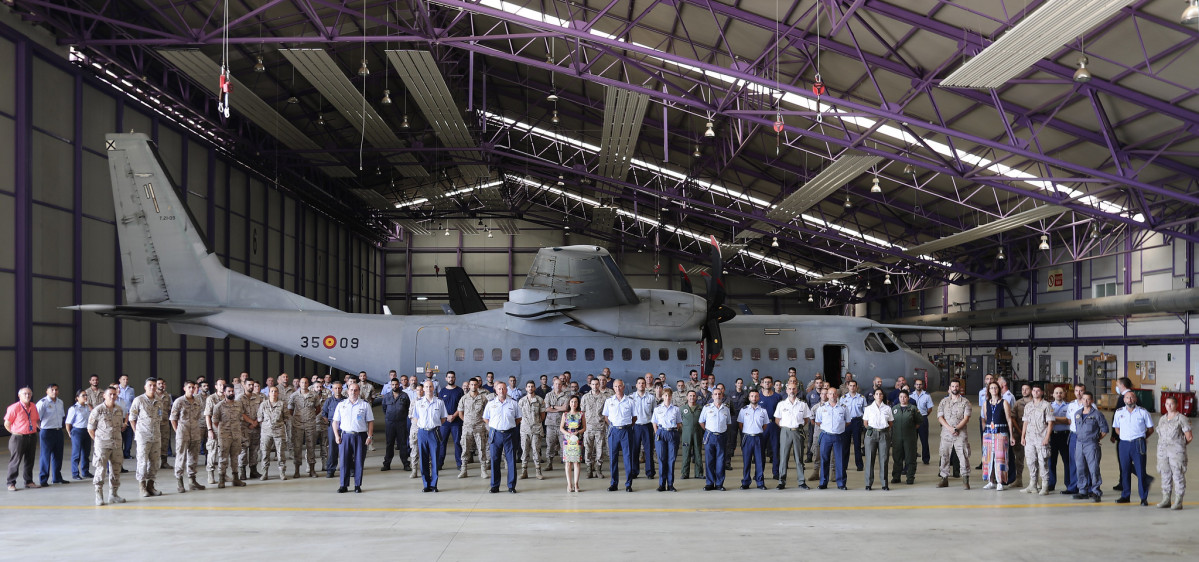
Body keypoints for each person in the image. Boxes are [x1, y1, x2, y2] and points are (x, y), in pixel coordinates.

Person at [1113, 391, 1155, 505]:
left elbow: (1151, 429)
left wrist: (1141, 437)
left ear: (1135, 399)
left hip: (1138, 444)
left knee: (1141, 471)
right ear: (1124, 400)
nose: (1130, 400)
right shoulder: (1119, 412)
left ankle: (1143, 498)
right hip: (1124, 444)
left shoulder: (1143, 412)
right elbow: (1116, 428)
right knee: (1125, 470)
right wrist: (1124, 436)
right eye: (1127, 398)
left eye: (1132, 397)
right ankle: (1125, 496)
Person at [332, 382, 374, 493]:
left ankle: (357, 485)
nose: (353, 392)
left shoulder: (365, 405)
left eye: (356, 390)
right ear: (347, 391)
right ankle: (343, 485)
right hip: (345, 436)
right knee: (344, 461)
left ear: (359, 392)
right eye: (351, 390)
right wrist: (336, 436)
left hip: (360, 436)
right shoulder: (341, 405)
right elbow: (335, 422)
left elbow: (370, 422)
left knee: (359, 461)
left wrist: (369, 436)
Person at [129, 378, 166, 497]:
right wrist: (137, 432)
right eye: (150, 385)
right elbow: (132, 418)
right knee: (142, 462)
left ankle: (151, 486)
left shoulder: (159, 400)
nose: (152, 387)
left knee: (155, 462)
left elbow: (160, 417)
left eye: (154, 385)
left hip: (156, 436)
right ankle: (142, 486)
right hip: (143, 436)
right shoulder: (139, 400)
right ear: (145, 387)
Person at [209, 384, 250, 489]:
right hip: (224, 436)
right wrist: (224, 430)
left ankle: (235, 478)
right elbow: (215, 422)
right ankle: (221, 479)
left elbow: (240, 417)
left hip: (236, 435)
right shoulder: (219, 406)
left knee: (235, 457)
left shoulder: (238, 405)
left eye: (232, 391)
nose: (231, 393)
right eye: (229, 391)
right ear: (224, 393)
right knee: (223, 458)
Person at [483, 381, 521, 493]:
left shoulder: (513, 403)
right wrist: (495, 426)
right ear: (495, 390)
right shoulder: (490, 404)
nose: (501, 391)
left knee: (511, 460)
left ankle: (511, 486)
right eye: (499, 389)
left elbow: (518, 418)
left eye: (503, 388)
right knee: (495, 459)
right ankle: (495, 486)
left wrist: (509, 426)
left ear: (507, 390)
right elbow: (485, 418)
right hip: (496, 434)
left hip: (510, 434)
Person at [169, 380, 206, 493]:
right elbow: (173, 419)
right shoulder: (179, 401)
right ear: (184, 388)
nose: (192, 389)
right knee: (181, 457)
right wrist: (178, 432)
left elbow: (198, 417)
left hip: (195, 432)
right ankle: (180, 482)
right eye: (189, 387)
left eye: (193, 387)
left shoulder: (198, 402)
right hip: (183, 432)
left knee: (193, 457)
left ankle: (192, 480)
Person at [1155, 396, 1192, 509]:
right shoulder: (1162, 419)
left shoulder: (1181, 419)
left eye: (1171, 404)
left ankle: (1178, 500)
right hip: (1163, 451)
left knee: (1178, 474)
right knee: (1165, 474)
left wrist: (1179, 446)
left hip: (1176, 452)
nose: (1169, 406)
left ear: (1176, 405)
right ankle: (1166, 499)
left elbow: (1189, 437)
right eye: (1167, 404)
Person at [774, 380, 812, 490]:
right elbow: (777, 419)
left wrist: (797, 427)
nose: (792, 390)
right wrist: (786, 428)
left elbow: (806, 419)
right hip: (785, 431)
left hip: (797, 432)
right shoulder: (781, 404)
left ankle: (801, 482)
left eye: (794, 389)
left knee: (799, 458)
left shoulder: (803, 404)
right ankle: (782, 481)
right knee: (783, 457)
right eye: (790, 389)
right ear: (786, 390)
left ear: (797, 390)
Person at [1072, 391, 1108, 502]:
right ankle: (1083, 491)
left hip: (1091, 444)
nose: (1086, 401)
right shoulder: (1077, 414)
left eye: (1088, 399)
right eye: (1084, 399)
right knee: (1080, 467)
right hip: (1079, 444)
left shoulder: (1097, 414)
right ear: (1081, 400)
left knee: (1093, 468)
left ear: (1092, 401)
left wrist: (1096, 439)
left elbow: (1105, 430)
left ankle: (1096, 491)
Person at [412, 380, 447, 493]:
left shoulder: (439, 402)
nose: (428, 389)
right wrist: (423, 426)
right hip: (422, 433)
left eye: (430, 387)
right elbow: (415, 418)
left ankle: (434, 485)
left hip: (434, 432)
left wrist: (433, 425)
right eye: (426, 387)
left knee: (435, 459)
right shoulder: (418, 403)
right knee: (423, 459)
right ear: (423, 389)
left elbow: (443, 418)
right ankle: (426, 484)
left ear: (433, 388)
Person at [937, 378, 972, 489]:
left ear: (960, 388)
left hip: (960, 434)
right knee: (944, 455)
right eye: (953, 386)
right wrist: (949, 428)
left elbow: (966, 418)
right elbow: (940, 417)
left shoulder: (965, 402)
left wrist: (956, 428)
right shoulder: (944, 402)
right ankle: (944, 479)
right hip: (946, 434)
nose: (955, 388)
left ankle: (965, 480)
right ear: (949, 388)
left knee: (963, 455)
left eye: (957, 386)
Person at [602, 379, 636, 492]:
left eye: (620, 386)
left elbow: (634, 417)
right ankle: (614, 483)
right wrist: (613, 426)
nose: (618, 388)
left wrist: (626, 426)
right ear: (613, 388)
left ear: (623, 387)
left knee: (628, 457)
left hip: (626, 431)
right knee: (613, 458)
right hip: (614, 431)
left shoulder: (630, 401)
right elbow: (606, 416)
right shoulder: (609, 401)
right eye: (615, 386)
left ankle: (628, 484)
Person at [1020, 386, 1054, 495]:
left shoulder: (1046, 405)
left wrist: (1047, 437)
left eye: (1038, 391)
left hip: (1041, 438)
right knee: (1030, 461)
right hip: (1029, 438)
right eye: (1034, 390)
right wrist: (1023, 436)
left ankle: (1045, 486)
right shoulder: (1028, 406)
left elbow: (1050, 423)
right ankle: (1033, 485)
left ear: (1042, 392)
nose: (1035, 392)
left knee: (1042, 462)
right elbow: (1025, 422)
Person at [6, 387, 41, 491]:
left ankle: (29, 481)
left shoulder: (33, 406)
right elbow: (7, 424)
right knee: (15, 461)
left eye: (29, 394)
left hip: (32, 436)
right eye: (25, 394)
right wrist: (15, 433)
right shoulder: (14, 408)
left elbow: (36, 420)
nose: (27, 396)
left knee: (30, 460)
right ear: (19, 396)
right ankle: (11, 483)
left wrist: (41, 428)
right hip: (18, 438)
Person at [815, 388, 850, 490]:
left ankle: (841, 483)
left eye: (834, 393)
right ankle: (823, 482)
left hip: (839, 436)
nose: (833, 395)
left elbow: (847, 422)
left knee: (840, 460)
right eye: (830, 393)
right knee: (824, 459)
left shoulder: (843, 408)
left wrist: (838, 428)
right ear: (827, 395)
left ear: (837, 395)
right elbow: (818, 421)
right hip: (826, 436)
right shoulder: (822, 408)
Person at [980, 381, 1012, 491]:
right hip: (989, 433)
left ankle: (1000, 481)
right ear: (988, 390)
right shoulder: (986, 403)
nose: (993, 389)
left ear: (998, 389)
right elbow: (984, 417)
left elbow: (1009, 419)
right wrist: (985, 430)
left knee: (1000, 457)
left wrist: (1011, 435)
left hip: (1001, 432)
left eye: (995, 388)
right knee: (988, 457)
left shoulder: (1004, 402)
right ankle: (991, 481)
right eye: (991, 388)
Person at [288, 377, 321, 478]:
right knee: (297, 447)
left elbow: (318, 409)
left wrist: (310, 416)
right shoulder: (294, 396)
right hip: (297, 425)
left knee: (311, 447)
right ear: (299, 384)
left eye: (306, 382)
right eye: (302, 382)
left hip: (310, 424)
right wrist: (297, 418)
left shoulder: (314, 395)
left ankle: (312, 470)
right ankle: (297, 470)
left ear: (308, 384)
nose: (304, 384)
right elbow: (290, 410)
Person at [35, 384, 68, 487]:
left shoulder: (60, 402)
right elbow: (36, 418)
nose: (54, 391)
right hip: (47, 432)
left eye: (56, 390)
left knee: (58, 455)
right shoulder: (42, 403)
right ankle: (43, 479)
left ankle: (57, 477)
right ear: (47, 391)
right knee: (45, 456)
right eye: (52, 390)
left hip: (58, 431)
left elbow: (62, 416)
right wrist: (41, 429)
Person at [698, 387, 731, 491]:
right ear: (712, 396)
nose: (717, 396)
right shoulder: (707, 408)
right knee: (709, 460)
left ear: (722, 396)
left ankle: (719, 484)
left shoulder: (726, 409)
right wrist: (709, 430)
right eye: (715, 394)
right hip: (710, 436)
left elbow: (728, 423)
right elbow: (701, 421)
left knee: (721, 461)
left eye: (719, 394)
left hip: (721, 436)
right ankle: (709, 483)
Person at [862, 388, 894, 491]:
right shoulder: (868, 408)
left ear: (883, 396)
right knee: (870, 459)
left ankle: (884, 484)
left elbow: (890, 423)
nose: (879, 396)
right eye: (877, 394)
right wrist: (873, 430)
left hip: (884, 434)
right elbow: (865, 423)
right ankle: (868, 483)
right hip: (871, 434)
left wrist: (883, 430)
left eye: (880, 394)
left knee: (884, 459)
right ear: (874, 396)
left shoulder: (887, 408)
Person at [738, 390, 769, 490]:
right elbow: (740, 424)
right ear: (749, 398)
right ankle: (746, 482)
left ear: (759, 398)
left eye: (756, 396)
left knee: (759, 461)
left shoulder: (763, 411)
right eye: (752, 396)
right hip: (747, 437)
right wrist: (748, 431)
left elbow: (765, 425)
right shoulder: (744, 410)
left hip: (758, 437)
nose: (754, 398)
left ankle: (760, 482)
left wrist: (757, 431)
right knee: (746, 461)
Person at [457, 379, 489, 478]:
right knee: (465, 448)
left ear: (478, 385)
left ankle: (483, 470)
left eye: (475, 384)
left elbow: (487, 413)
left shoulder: (483, 398)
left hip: (479, 427)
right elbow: (460, 413)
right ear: (469, 386)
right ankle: (464, 469)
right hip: (467, 427)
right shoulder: (464, 398)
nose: (473, 386)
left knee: (481, 448)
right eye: (472, 385)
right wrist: (468, 421)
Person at [257, 385, 289, 481]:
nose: (274, 393)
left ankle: (282, 473)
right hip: (266, 433)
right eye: (272, 391)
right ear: (268, 393)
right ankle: (264, 473)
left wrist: (277, 424)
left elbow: (286, 417)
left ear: (278, 393)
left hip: (279, 432)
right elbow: (259, 417)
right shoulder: (263, 404)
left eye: (275, 391)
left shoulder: (282, 404)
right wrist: (267, 425)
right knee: (265, 453)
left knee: (280, 454)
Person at [651, 388, 681, 492]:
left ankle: (671, 484)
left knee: (671, 460)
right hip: (661, 433)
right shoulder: (657, 409)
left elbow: (679, 423)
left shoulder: (676, 409)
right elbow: (654, 423)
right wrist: (657, 433)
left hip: (672, 433)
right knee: (662, 459)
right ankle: (662, 484)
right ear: (662, 396)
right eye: (665, 395)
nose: (667, 397)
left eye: (669, 395)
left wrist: (673, 431)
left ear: (671, 396)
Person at [628, 377, 657, 480]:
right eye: (639, 383)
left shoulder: (651, 398)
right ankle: (634, 471)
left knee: (649, 450)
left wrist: (655, 427)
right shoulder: (630, 398)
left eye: (643, 383)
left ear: (645, 385)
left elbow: (655, 413)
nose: (641, 385)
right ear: (636, 385)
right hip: (635, 426)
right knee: (634, 450)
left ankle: (650, 472)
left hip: (647, 426)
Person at [1061, 383, 1087, 495]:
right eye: (1076, 391)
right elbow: (1068, 420)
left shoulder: (1090, 405)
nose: (1079, 393)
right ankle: (1073, 487)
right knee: (1073, 461)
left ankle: (1086, 487)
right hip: (1073, 435)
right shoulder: (1071, 405)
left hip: (1085, 437)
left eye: (1081, 390)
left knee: (1084, 462)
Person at [381, 378, 411, 472]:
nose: (394, 386)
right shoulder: (387, 396)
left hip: (401, 423)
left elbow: (408, 408)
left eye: (396, 384)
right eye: (393, 385)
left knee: (402, 443)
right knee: (389, 443)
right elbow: (384, 408)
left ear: (399, 385)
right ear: (391, 385)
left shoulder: (404, 395)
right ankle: (387, 464)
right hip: (390, 423)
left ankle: (406, 463)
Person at [890, 389, 920, 485]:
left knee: (910, 458)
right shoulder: (894, 409)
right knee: (897, 457)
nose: (903, 399)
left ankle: (910, 477)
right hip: (897, 437)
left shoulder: (913, 409)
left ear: (908, 398)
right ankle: (896, 477)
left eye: (905, 397)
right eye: (901, 397)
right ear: (898, 398)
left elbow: (918, 422)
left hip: (909, 438)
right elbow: (890, 422)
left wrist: (910, 429)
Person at [518, 381, 547, 480]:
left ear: (534, 388)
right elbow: (519, 416)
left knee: (536, 450)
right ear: (526, 388)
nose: (530, 388)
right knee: (525, 451)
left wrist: (535, 422)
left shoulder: (539, 400)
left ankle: (538, 471)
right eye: (528, 387)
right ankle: (524, 471)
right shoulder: (521, 401)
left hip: (536, 429)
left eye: (532, 387)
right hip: (525, 430)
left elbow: (542, 416)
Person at [437, 372, 465, 471]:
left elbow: (462, 406)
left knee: (457, 442)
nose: (450, 379)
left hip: (456, 422)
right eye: (449, 377)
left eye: (452, 377)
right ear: (446, 379)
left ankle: (460, 463)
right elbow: (440, 407)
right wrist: (446, 416)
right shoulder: (442, 391)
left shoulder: (459, 391)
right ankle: (439, 463)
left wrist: (454, 415)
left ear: (455, 378)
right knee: (442, 443)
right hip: (445, 422)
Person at [1111, 376, 1135, 494]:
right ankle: (1122, 482)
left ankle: (1142, 477)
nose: (1116, 387)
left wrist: (1114, 434)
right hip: (1125, 434)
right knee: (1124, 461)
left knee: (1124, 461)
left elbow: (1117, 418)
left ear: (1122, 385)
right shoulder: (1129, 395)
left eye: (1117, 384)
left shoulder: (1125, 398)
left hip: (1124, 435)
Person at [581, 378, 609, 479]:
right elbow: (582, 413)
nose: (595, 386)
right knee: (588, 449)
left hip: (600, 427)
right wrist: (583, 427)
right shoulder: (585, 397)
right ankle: (589, 469)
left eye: (597, 384)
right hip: (588, 428)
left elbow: (606, 413)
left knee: (600, 450)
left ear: (599, 385)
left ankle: (598, 469)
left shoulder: (604, 397)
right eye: (593, 384)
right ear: (590, 385)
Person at [1047, 386, 1071, 493]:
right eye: (1056, 393)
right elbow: (1047, 421)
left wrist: (1053, 419)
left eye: (1061, 393)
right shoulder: (1049, 406)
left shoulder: (1069, 406)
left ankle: (1069, 483)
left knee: (1067, 461)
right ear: (1053, 394)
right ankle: (1051, 484)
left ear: (1064, 394)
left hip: (1065, 436)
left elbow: (1069, 421)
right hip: (1053, 436)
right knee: (1051, 461)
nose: (1058, 395)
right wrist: (1062, 420)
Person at [238, 380, 264, 480]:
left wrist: (256, 422)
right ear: (244, 385)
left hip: (255, 428)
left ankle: (253, 470)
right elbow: (240, 413)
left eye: (253, 385)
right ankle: (242, 471)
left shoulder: (258, 398)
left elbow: (262, 411)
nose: (251, 386)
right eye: (249, 385)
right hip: (244, 427)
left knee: (254, 450)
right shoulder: (240, 398)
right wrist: (251, 422)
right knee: (243, 450)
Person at [757, 377, 782, 479]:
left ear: (772, 384)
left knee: (775, 450)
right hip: (762, 426)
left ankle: (776, 473)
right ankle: (759, 473)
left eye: (769, 382)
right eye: (765, 382)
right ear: (762, 384)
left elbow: (781, 412)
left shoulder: (777, 396)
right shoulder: (758, 397)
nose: (767, 384)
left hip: (774, 425)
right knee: (760, 450)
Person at [65, 390, 93, 481]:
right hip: (77, 431)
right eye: (83, 395)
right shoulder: (74, 408)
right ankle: (75, 473)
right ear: (77, 398)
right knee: (76, 453)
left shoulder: (87, 407)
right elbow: (68, 422)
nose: (85, 397)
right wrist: (69, 432)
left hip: (87, 430)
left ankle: (85, 472)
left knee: (86, 453)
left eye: (86, 395)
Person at [561, 395, 586, 492]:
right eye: (572, 401)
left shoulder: (581, 414)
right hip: (567, 439)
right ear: (569, 403)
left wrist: (578, 432)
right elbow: (561, 427)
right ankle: (569, 484)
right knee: (568, 463)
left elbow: (584, 427)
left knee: (577, 462)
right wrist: (568, 433)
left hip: (577, 439)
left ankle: (576, 484)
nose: (574, 404)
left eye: (575, 402)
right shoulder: (565, 414)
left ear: (578, 403)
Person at [320, 381, 345, 478]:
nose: (337, 390)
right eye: (335, 388)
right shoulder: (329, 401)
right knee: (332, 449)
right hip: (332, 427)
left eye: (339, 388)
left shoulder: (346, 401)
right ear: (332, 389)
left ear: (342, 389)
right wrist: (330, 423)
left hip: (344, 427)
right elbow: (324, 414)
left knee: (346, 449)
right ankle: (331, 470)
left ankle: (349, 469)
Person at [1009, 383, 1031, 488]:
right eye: (1022, 389)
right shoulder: (1018, 403)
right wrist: (1019, 431)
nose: (1024, 391)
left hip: (1033, 435)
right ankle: (1018, 479)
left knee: (1034, 459)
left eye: (1026, 389)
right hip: (1019, 433)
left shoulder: (1036, 403)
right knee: (1018, 458)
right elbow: (1012, 418)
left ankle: (1034, 481)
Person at [841, 381, 866, 472]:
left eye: (854, 386)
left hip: (857, 421)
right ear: (848, 386)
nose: (852, 387)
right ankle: (844, 465)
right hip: (846, 422)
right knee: (845, 445)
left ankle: (859, 465)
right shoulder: (843, 398)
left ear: (856, 387)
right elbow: (840, 411)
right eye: (850, 386)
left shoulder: (861, 398)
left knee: (857, 444)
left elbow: (865, 411)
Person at [116, 375, 135, 460]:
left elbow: (133, 402)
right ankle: (119, 453)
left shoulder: (131, 390)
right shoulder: (116, 389)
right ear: (119, 380)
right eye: (123, 379)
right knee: (119, 435)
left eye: (127, 379)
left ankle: (127, 453)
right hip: (118, 416)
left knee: (129, 435)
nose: (125, 381)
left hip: (128, 415)